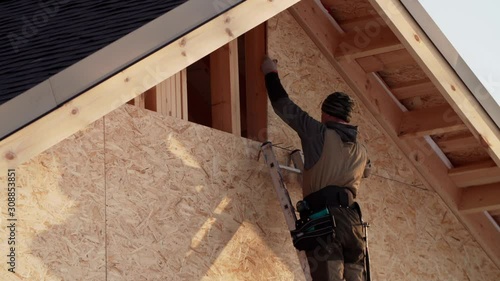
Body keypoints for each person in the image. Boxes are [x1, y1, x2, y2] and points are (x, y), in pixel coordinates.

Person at [261, 55, 370, 281]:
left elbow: (284, 106)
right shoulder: (361, 151)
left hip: (325, 223)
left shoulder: (318, 134)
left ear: (326, 113)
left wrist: (270, 73)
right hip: (353, 227)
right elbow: (367, 171)